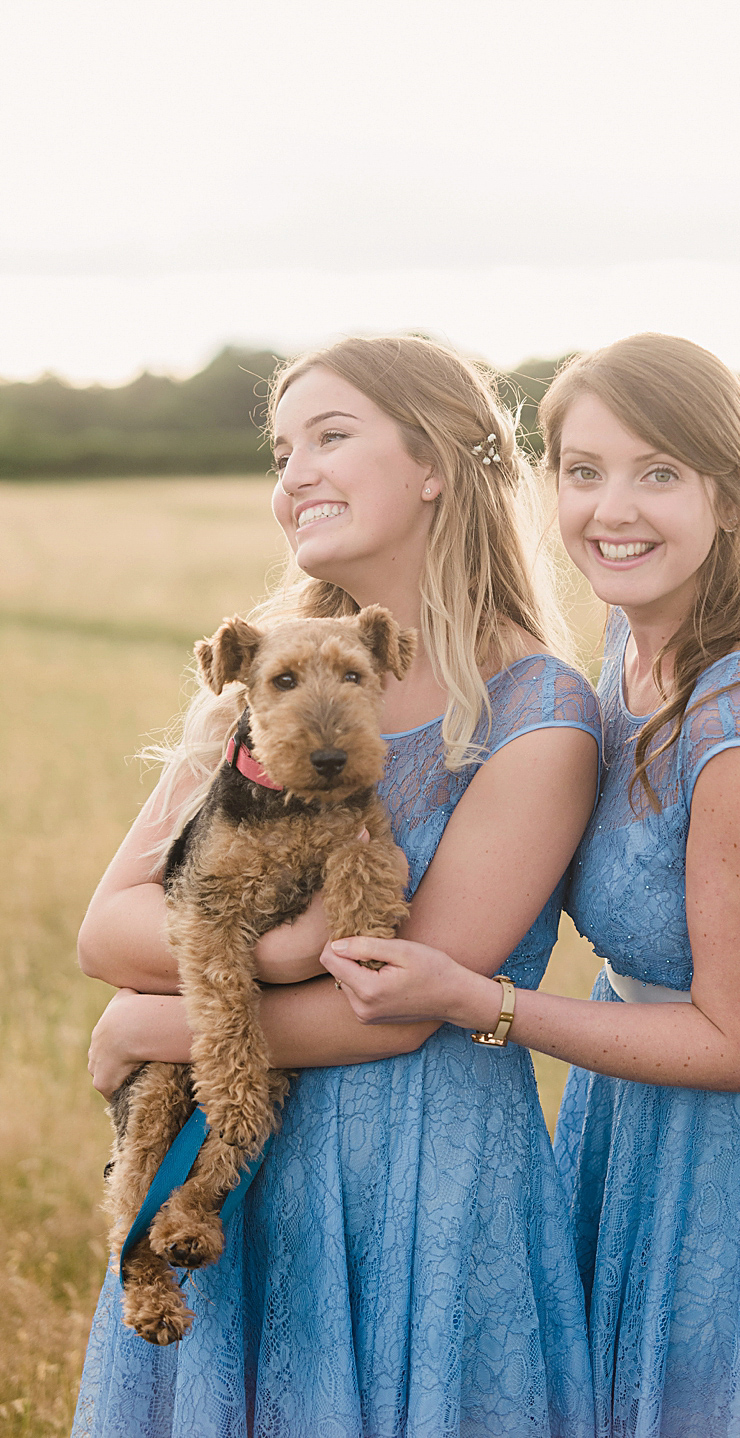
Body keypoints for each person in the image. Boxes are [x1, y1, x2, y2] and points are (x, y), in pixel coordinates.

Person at [323, 335, 740, 1437]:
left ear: (731, 492)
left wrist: (483, 1002)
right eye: (584, 469)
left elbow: (735, 1046)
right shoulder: (638, 633)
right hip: (637, 1099)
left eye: (660, 472)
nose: (616, 508)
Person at [73, 336, 601, 1438]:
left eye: (330, 435)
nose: (292, 474)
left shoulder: (534, 713)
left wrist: (146, 1013)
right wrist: (262, 954)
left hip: (417, 1178)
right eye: (280, 450)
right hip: (236, 1169)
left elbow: (394, 1012)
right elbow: (108, 926)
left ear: (436, 465)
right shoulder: (264, 683)